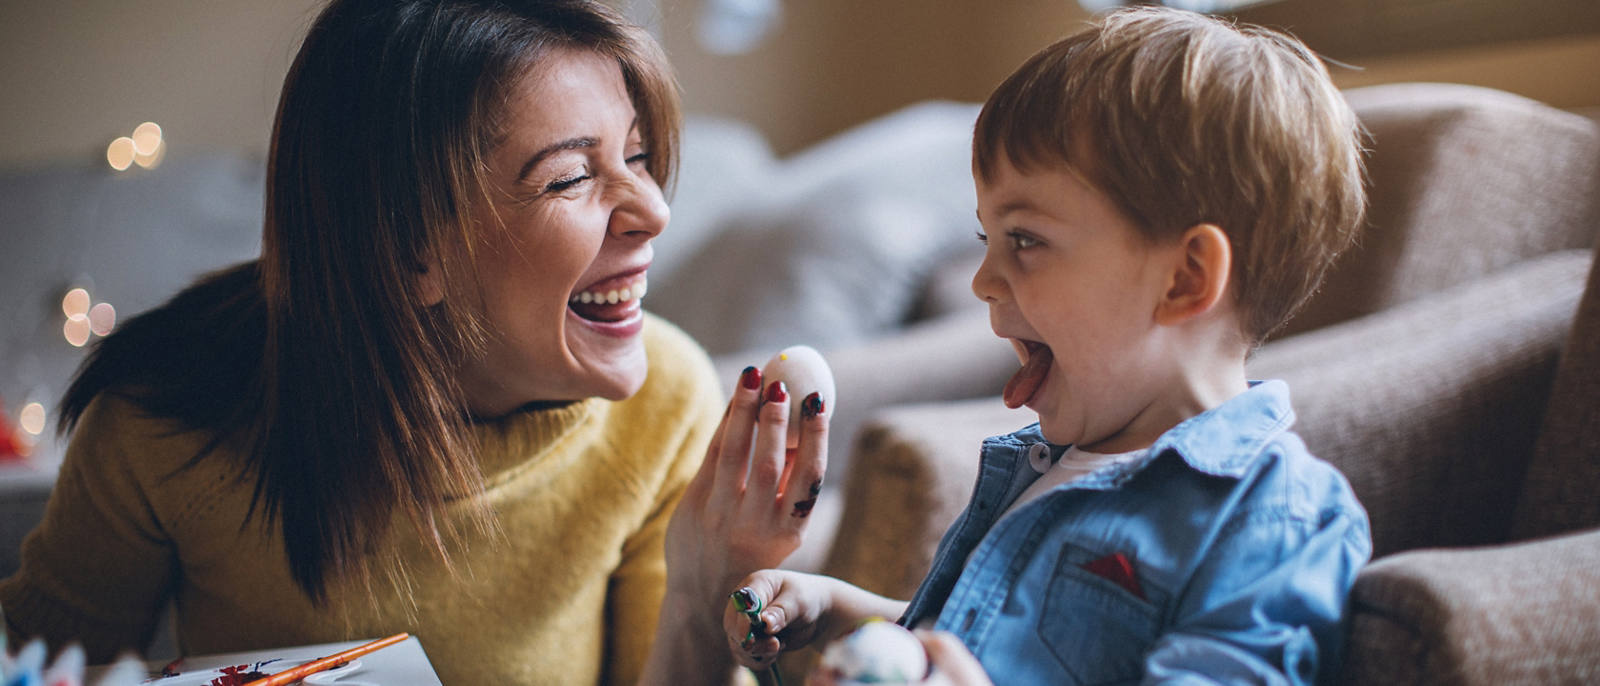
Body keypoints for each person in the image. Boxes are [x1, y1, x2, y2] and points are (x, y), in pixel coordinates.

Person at [0, 1, 827, 684]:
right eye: (572, 177)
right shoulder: (162, 420)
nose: (654, 211)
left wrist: (704, 588)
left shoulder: (666, 402)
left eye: (639, 157)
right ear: (407, 246)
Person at [722, 6, 1372, 684]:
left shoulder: (1270, 515)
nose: (982, 281)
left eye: (1025, 240)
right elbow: (978, 641)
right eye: (987, 239)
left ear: (1185, 278)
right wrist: (836, 612)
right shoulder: (1046, 466)